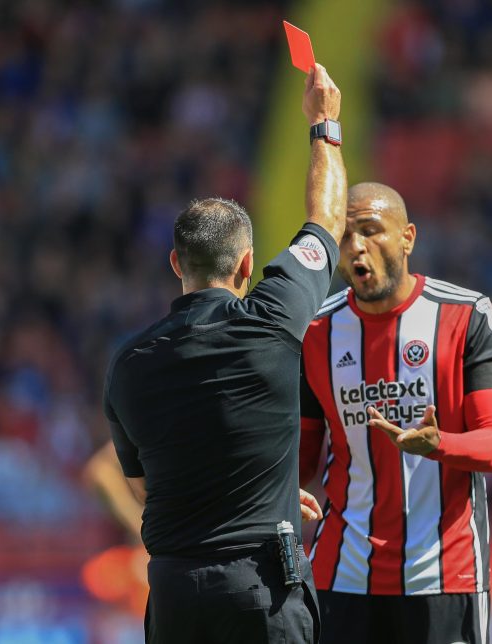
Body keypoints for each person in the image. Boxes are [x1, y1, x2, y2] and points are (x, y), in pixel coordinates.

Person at [103, 62, 345, 644]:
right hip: (261, 588)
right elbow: (327, 220)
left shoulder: (129, 364)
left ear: (174, 265)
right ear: (245, 266)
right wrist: (325, 125)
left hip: (175, 595)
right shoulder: (273, 319)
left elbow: (144, 488)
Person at [299, 182, 492, 644]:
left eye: (371, 231)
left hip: (444, 572)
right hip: (342, 572)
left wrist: (440, 445)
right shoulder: (314, 331)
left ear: (408, 237)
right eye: (345, 237)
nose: (357, 247)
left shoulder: (468, 317)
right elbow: (301, 458)